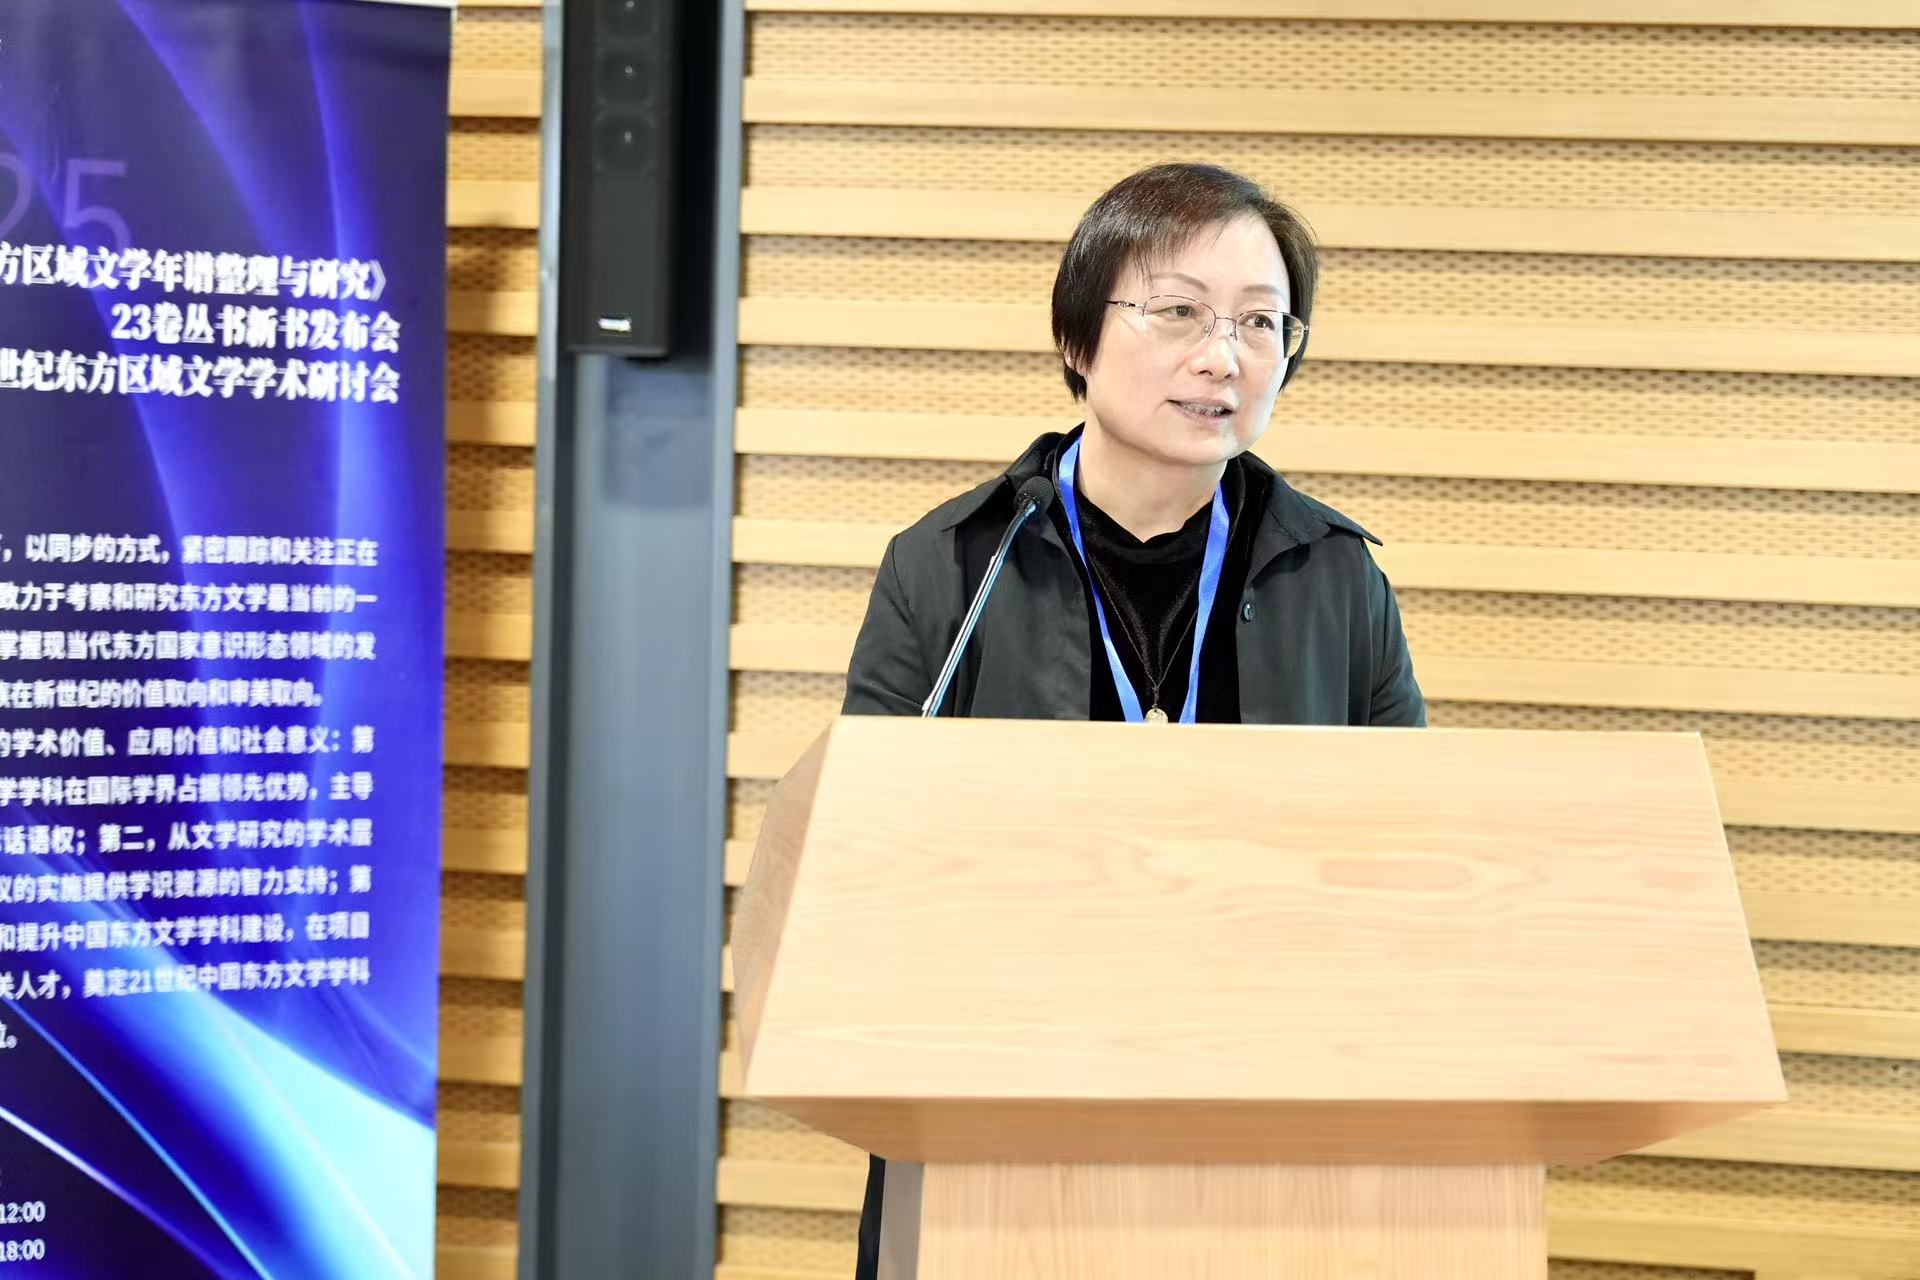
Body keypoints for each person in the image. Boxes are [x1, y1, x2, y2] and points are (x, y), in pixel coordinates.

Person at [836, 161, 1426, 1277]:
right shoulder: (953, 565)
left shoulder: (1336, 578)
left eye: (1261, 322)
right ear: (1077, 338)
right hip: (1002, 1102)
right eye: (1180, 312)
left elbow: (1413, 863)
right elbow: (857, 869)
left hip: (1263, 1107)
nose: (1223, 356)